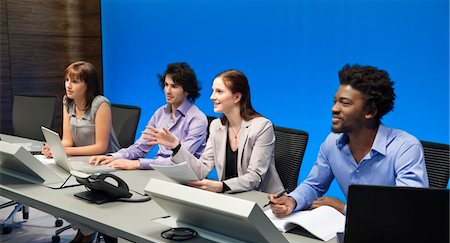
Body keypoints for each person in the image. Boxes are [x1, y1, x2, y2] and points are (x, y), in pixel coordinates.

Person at [269, 64, 429, 218]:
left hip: (396, 240)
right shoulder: (332, 142)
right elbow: (314, 184)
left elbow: (406, 211)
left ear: (370, 111)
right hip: (356, 232)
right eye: (335, 101)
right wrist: (292, 200)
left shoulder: (406, 148)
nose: (334, 108)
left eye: (345, 103)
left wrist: (344, 208)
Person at [144, 69, 284, 194]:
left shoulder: (262, 126)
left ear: (237, 97)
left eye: (219, 91)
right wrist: (176, 145)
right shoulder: (216, 126)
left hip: (266, 200)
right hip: (231, 197)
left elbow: (255, 177)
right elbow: (202, 169)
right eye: (213, 91)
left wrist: (221, 186)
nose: (212, 97)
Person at [42, 60, 120, 243]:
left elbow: (100, 147)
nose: (68, 85)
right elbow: (67, 139)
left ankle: (87, 230)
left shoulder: (100, 104)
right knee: (56, 187)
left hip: (105, 163)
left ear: (88, 85)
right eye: (67, 80)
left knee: (74, 187)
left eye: (75, 81)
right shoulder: (67, 101)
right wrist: (56, 149)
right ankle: (84, 229)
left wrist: (63, 151)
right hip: (80, 160)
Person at [89, 62, 207, 170]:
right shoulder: (160, 113)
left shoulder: (197, 119)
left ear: (187, 90)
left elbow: (182, 161)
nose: (168, 91)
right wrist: (114, 156)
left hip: (184, 177)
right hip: (157, 171)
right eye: (166, 85)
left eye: (174, 86)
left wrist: (139, 163)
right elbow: (140, 147)